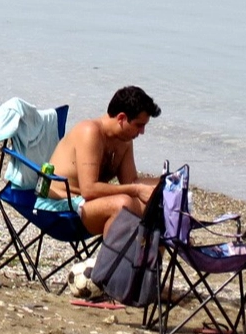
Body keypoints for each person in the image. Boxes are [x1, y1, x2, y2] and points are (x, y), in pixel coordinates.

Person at [35, 86, 161, 237]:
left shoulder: (124, 140)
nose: (142, 132)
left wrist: (163, 184)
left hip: (87, 204)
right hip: (58, 206)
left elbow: (131, 181)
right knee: (123, 204)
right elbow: (89, 190)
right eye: (139, 125)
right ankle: (114, 253)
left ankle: (147, 253)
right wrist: (136, 190)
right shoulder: (90, 132)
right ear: (121, 118)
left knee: (157, 206)